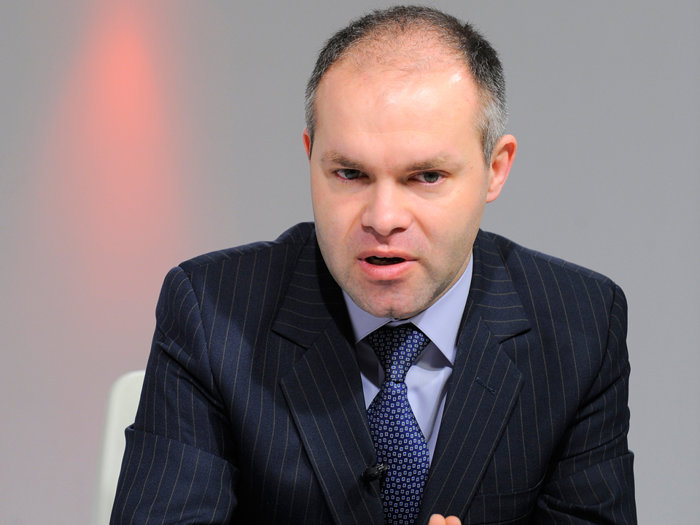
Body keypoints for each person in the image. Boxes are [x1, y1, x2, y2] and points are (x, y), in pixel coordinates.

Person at [111, 6, 636, 524]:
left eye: (426, 177)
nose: (383, 219)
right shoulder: (210, 312)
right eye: (349, 174)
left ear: (495, 169)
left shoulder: (581, 325)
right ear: (310, 156)